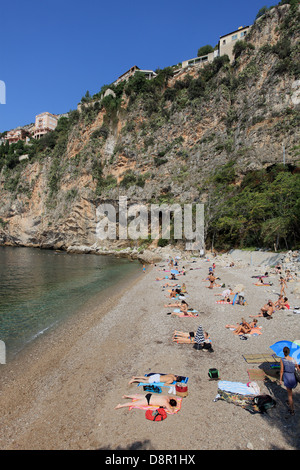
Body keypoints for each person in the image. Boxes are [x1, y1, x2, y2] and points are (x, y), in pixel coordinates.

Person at [279, 346, 300, 415]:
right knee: (290, 392)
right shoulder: (293, 359)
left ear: (283, 352)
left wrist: (280, 380)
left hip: (287, 377)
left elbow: (281, 370)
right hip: (293, 377)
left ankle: (292, 410)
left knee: (289, 395)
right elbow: (297, 367)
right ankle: (289, 402)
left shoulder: (282, 360)